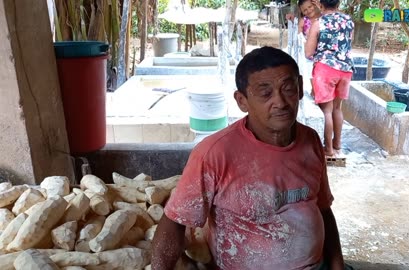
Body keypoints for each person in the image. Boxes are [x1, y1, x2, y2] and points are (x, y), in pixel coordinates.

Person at [151, 46, 348, 270]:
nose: (280, 102)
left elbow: (322, 208)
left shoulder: (310, 140)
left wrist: (337, 265)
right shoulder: (214, 153)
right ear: (242, 100)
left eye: (288, 89)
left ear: (301, 88)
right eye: (265, 93)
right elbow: (174, 223)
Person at [305, 0, 354, 158]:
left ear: (320, 5)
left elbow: (308, 52)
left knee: (327, 111)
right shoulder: (348, 21)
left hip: (325, 69)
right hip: (346, 69)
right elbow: (346, 45)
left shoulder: (319, 23)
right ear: (338, 4)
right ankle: (337, 144)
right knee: (338, 108)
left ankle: (328, 150)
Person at [285, 0, 322, 96]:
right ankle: (314, 95)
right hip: (310, 56)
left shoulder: (324, 18)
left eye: (310, 7)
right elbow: (297, 36)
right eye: (305, 10)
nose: (308, 10)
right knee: (313, 78)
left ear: (315, 4)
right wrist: (293, 21)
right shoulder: (304, 21)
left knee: (322, 80)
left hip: (323, 56)